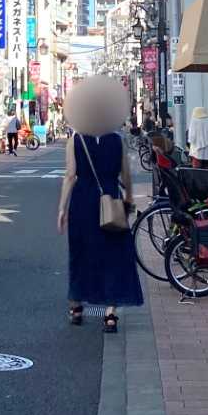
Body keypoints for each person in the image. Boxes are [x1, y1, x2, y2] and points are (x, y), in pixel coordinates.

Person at [57, 74, 143, 333]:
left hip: (82, 201)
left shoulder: (76, 140)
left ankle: (76, 306)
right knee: (113, 254)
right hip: (110, 198)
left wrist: (62, 208)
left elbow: (70, 175)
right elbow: (126, 175)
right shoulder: (117, 140)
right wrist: (128, 200)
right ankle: (110, 314)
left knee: (81, 253)